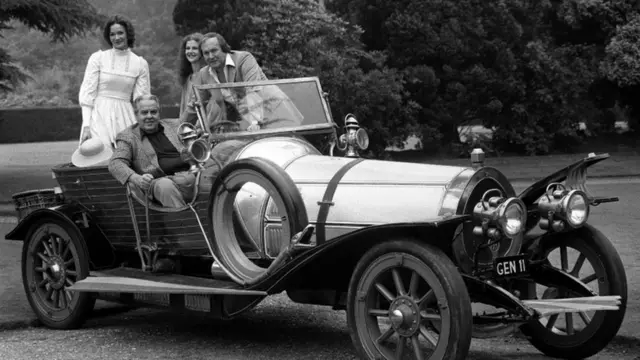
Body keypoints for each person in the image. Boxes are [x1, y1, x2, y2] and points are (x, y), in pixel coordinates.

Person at [179, 32, 303, 133]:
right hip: (249, 124)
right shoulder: (204, 74)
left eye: (214, 51)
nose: (211, 56)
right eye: (206, 53)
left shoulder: (243, 59)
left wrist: (255, 122)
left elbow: (253, 89)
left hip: (275, 114)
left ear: (225, 49)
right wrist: (179, 128)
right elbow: (194, 105)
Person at [108, 94, 196, 209]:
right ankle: (184, 223)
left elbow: (189, 116)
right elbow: (115, 163)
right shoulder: (128, 137)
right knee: (165, 186)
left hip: (191, 175)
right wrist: (138, 179)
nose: (149, 116)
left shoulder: (173, 125)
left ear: (159, 113)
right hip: (160, 182)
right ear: (136, 115)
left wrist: (195, 103)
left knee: (214, 170)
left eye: (153, 112)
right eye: (144, 112)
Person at [78, 15, 151, 149]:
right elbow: (87, 96)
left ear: (128, 34)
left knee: (126, 161)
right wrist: (86, 126)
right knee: (100, 159)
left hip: (125, 118)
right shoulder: (97, 58)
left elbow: (141, 101)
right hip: (98, 119)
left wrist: (145, 127)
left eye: (120, 33)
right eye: (112, 34)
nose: (116, 38)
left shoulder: (140, 64)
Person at [177, 32, 206, 118]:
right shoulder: (187, 79)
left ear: (202, 51)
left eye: (194, 48)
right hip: (187, 127)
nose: (190, 51)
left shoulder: (206, 76)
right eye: (187, 48)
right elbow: (183, 109)